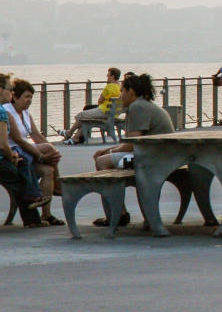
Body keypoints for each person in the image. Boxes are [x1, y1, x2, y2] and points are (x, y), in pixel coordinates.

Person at [89, 73, 177, 226]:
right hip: (160, 156)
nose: (120, 95)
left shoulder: (137, 107)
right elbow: (132, 143)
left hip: (151, 160)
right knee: (106, 158)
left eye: (122, 91)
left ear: (131, 92)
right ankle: (119, 212)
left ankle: (116, 215)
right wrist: (111, 149)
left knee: (102, 162)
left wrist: (108, 152)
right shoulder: (145, 105)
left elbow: (132, 144)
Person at [4, 78, 64, 225]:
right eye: (26, 97)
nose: (29, 100)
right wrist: (43, 154)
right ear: (15, 96)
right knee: (49, 149)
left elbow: (36, 136)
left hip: (26, 151)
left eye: (31, 97)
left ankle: (46, 214)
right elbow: (19, 140)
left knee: (48, 170)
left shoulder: (25, 113)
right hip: (14, 152)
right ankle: (59, 186)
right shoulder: (7, 112)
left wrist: (51, 152)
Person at [0, 74, 49, 226]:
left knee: (22, 165)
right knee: (17, 174)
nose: (11, 92)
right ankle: (32, 216)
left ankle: (34, 200)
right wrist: (11, 156)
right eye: (10, 89)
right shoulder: (2, 111)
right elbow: (2, 144)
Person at [58, 67, 121, 144]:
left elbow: (100, 100)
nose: (107, 77)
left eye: (108, 75)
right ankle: (75, 138)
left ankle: (69, 133)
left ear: (113, 76)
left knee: (82, 114)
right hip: (115, 113)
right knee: (86, 119)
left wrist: (101, 106)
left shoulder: (109, 86)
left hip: (104, 111)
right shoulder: (120, 87)